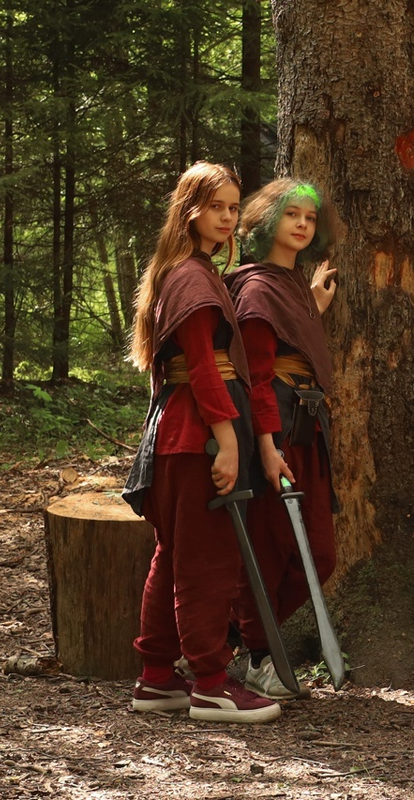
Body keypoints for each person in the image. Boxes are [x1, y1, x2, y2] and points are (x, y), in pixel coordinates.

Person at [123, 161, 280, 724]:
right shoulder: (191, 275)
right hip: (196, 439)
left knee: (175, 556)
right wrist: (228, 442)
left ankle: (156, 678)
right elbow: (202, 367)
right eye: (216, 207)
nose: (228, 217)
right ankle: (211, 683)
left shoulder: (189, 269)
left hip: (181, 435)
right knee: (208, 561)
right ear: (190, 211)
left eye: (234, 208)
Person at [224, 179, 343, 699]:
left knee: (320, 557)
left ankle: (229, 633)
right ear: (267, 221)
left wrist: (311, 304)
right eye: (291, 214)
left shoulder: (291, 287)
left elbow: (292, 340)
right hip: (276, 438)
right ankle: (257, 655)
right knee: (271, 552)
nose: (302, 224)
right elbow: (257, 376)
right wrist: (269, 447)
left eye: (310, 218)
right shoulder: (256, 288)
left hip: (307, 432)